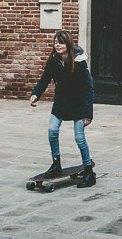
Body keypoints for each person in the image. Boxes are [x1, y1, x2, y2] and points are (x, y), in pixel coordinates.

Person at [29, 30, 96, 188]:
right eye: (55, 42)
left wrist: (88, 114)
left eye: (61, 42)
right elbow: (45, 79)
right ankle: (56, 163)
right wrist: (35, 94)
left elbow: (88, 89)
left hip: (79, 104)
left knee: (79, 138)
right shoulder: (54, 61)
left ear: (68, 44)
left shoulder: (79, 62)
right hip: (60, 103)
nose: (57, 45)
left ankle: (88, 171)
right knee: (52, 131)